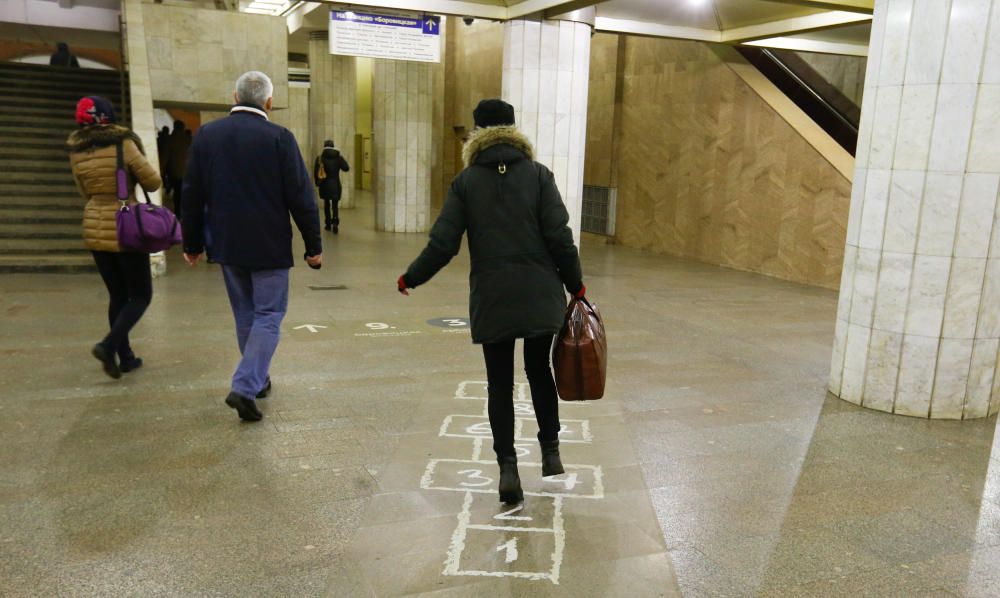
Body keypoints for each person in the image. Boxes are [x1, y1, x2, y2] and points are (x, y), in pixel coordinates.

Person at [397, 99, 584, 504]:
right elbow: (560, 237)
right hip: (539, 292)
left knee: (499, 383)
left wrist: (412, 275)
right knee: (539, 371)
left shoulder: (466, 183)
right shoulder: (538, 176)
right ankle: (550, 454)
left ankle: (507, 469)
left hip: (493, 296)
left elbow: (443, 243)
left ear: (476, 134)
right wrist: (576, 285)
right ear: (514, 130)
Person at [181, 71, 322, 423]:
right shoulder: (280, 138)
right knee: (269, 316)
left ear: (234, 95)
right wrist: (313, 245)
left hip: (228, 243)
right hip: (270, 245)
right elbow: (301, 197)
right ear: (269, 102)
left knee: (246, 315)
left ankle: (258, 381)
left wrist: (192, 242)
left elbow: (192, 194)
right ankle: (245, 385)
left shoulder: (208, 135)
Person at [67, 95, 162, 378]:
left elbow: (84, 191)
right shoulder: (124, 143)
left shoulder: (77, 150)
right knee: (141, 295)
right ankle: (108, 345)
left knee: (118, 294)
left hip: (94, 226)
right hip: (126, 227)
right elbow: (153, 181)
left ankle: (126, 357)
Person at [313, 140, 350, 233]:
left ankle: (328, 224)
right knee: (335, 205)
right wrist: (341, 160)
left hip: (325, 184)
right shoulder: (338, 157)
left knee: (326, 204)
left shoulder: (320, 158)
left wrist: (317, 183)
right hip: (335, 184)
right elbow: (346, 168)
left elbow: (316, 172)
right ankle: (335, 222)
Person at [165, 120, 191, 220]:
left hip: (174, 171)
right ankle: (185, 211)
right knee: (185, 192)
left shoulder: (170, 139)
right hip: (188, 171)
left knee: (177, 193)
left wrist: (162, 169)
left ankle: (178, 213)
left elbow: (165, 156)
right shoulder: (189, 139)